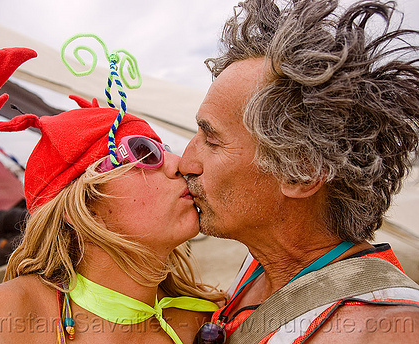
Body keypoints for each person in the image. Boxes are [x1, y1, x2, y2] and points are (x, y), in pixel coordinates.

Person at [0, 47, 225, 343]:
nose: (180, 164)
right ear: (81, 204)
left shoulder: (206, 321)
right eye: (145, 152)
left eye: (166, 149)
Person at [180, 0, 419, 343]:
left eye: (212, 139)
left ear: (301, 173)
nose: (185, 162)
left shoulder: (385, 331)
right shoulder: (265, 266)